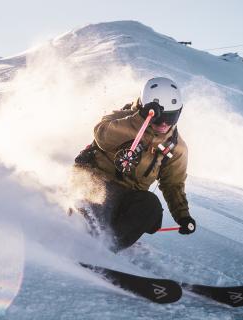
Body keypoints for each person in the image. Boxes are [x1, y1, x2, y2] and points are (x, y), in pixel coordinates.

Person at [73, 77, 195, 252]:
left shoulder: (176, 147)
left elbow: (173, 184)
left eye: (171, 117)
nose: (164, 124)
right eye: (159, 118)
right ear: (147, 109)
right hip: (94, 181)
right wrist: (140, 120)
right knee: (100, 205)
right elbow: (102, 137)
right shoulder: (122, 119)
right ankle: (77, 234)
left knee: (151, 207)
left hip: (127, 196)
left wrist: (182, 216)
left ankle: (106, 249)